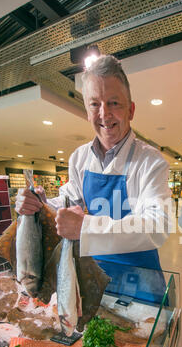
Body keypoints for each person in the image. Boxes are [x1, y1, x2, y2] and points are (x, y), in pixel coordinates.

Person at [15, 54, 171, 302]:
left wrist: (86, 227)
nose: (104, 114)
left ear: (130, 110)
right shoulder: (79, 158)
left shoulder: (150, 162)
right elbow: (69, 200)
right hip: (91, 278)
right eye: (95, 104)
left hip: (140, 282)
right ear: (86, 111)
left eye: (114, 103)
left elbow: (158, 226)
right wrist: (39, 203)